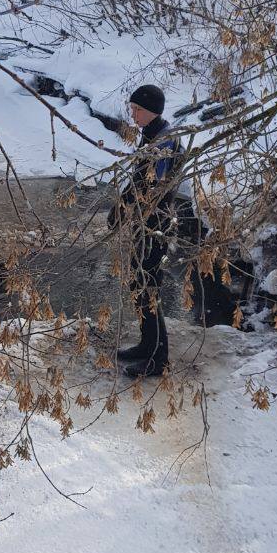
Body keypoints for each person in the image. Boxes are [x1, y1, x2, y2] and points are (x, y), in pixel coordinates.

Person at [95, 84, 182, 378]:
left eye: (137, 110)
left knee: (148, 287)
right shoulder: (154, 134)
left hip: (156, 224)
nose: (132, 115)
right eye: (132, 109)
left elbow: (148, 186)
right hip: (146, 223)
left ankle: (159, 359)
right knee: (138, 283)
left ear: (152, 110)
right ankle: (147, 345)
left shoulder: (165, 141)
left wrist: (121, 208)